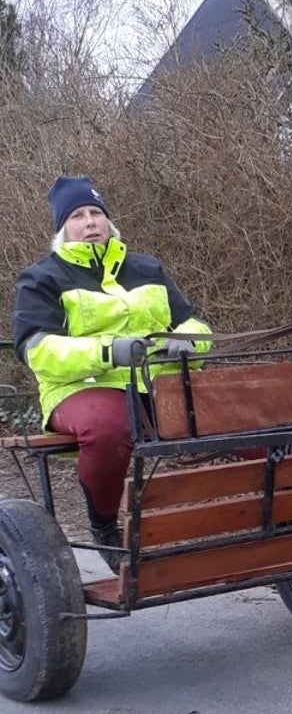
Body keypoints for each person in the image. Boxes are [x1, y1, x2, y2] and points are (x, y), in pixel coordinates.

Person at [12, 176, 211, 569]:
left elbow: (194, 323)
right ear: (62, 229)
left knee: (240, 405)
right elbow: (38, 350)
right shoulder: (42, 278)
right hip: (79, 390)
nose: (90, 222)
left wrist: (188, 342)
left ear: (108, 221)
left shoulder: (147, 268)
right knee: (109, 425)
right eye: (77, 216)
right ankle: (104, 524)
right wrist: (108, 352)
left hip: (157, 385)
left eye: (96, 213)